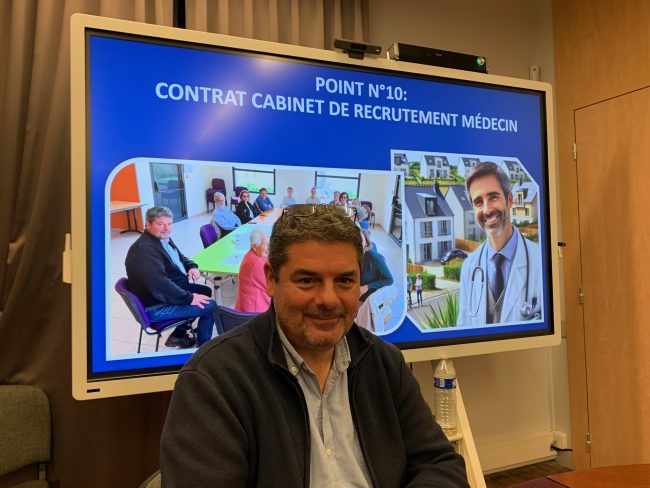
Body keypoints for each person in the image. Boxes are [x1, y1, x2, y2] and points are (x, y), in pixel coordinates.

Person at [161, 204, 469, 487]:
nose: (329, 300)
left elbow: (440, 464)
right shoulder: (214, 381)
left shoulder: (386, 364)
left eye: (344, 281)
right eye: (307, 281)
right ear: (271, 279)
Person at [457, 161, 542, 326]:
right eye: (478, 202)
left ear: (509, 200)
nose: (487, 210)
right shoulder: (469, 267)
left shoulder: (539, 261)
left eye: (493, 197)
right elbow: (463, 327)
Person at [125, 206, 216, 348]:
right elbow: (160, 285)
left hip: (164, 294)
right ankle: (205, 349)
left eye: (169, 223)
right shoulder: (145, 251)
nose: (167, 228)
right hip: (156, 306)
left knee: (205, 291)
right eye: (160, 224)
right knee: (210, 305)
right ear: (148, 224)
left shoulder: (162, 238)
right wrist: (189, 298)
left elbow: (180, 257)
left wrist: (191, 266)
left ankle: (178, 335)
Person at [234, 229, 271, 313]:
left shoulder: (250, 254)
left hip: (245, 308)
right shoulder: (258, 263)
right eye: (266, 244)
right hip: (255, 312)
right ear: (254, 246)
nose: (269, 249)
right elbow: (273, 288)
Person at [359, 229, 393, 302]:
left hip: (367, 301)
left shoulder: (373, 257)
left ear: (366, 242)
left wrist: (367, 287)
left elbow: (389, 280)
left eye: (360, 240)